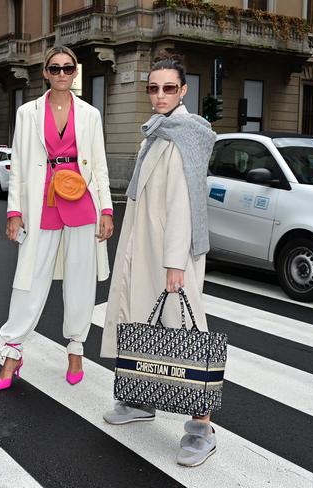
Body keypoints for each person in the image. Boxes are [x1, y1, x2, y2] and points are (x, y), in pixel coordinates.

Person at [99, 52, 217, 467]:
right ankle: (139, 400)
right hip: (144, 245)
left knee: (185, 334)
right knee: (140, 325)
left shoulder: (187, 133)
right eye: (154, 88)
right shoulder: (157, 131)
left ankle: (202, 428)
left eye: (169, 88)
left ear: (183, 90)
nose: (160, 95)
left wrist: (174, 264)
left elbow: (186, 203)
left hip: (171, 253)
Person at [0, 45, 114, 391]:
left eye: (67, 68)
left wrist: (106, 209)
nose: (61, 74)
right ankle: (12, 353)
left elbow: (100, 167)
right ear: (44, 72)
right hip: (41, 202)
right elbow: (17, 167)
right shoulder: (27, 113)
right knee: (29, 279)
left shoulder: (90, 114)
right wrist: (14, 211)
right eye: (55, 68)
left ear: (76, 72)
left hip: (81, 202)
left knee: (80, 279)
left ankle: (75, 349)